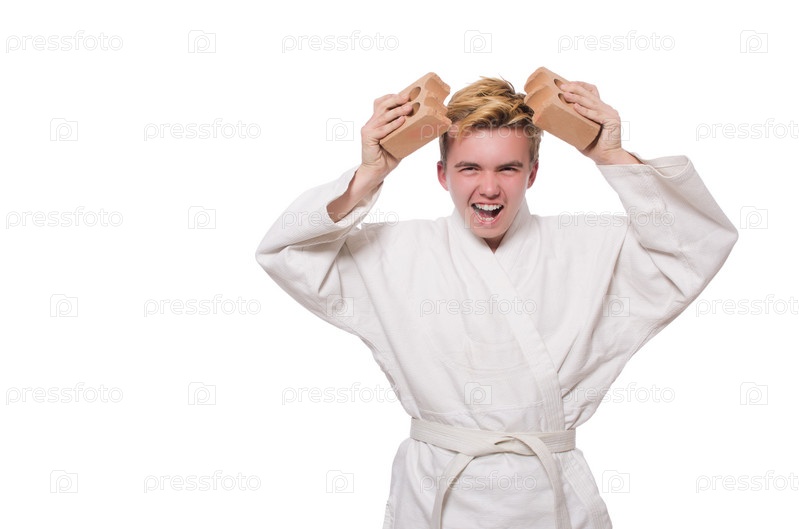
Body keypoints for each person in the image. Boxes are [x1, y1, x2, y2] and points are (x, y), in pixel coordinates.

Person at [255, 75, 738, 529]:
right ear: (442, 175)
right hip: (435, 493)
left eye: (508, 168)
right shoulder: (392, 252)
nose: (489, 188)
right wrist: (370, 172)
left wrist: (611, 156)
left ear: (532, 174)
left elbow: (696, 246)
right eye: (469, 168)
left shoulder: (588, 246)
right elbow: (286, 253)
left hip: (548, 495)